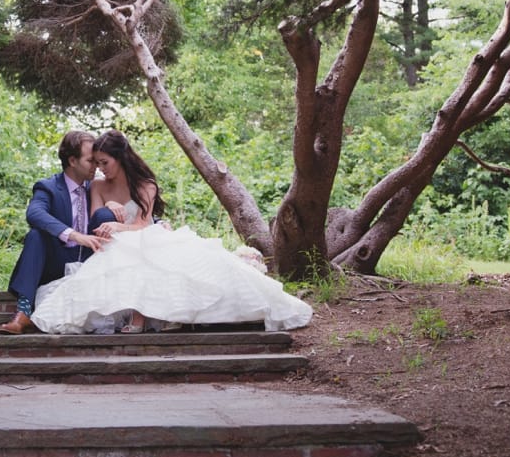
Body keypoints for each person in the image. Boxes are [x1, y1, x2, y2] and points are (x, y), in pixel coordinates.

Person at [29, 130, 314, 334]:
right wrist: (112, 209)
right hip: (113, 242)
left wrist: (121, 219)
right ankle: (135, 314)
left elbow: (142, 224)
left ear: (120, 157)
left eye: (105, 162)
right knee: (121, 259)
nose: (101, 169)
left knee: (161, 254)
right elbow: (95, 218)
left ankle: (149, 315)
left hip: (142, 235)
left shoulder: (145, 185)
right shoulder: (99, 186)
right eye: (97, 163)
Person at [0, 130, 106, 335]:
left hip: (92, 263)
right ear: (72, 160)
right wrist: (74, 235)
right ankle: (23, 312)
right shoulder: (48, 187)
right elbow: (34, 213)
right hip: (57, 262)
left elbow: (129, 207)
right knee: (36, 236)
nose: (96, 166)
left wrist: (157, 222)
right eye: (90, 161)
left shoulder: (98, 187)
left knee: (107, 215)